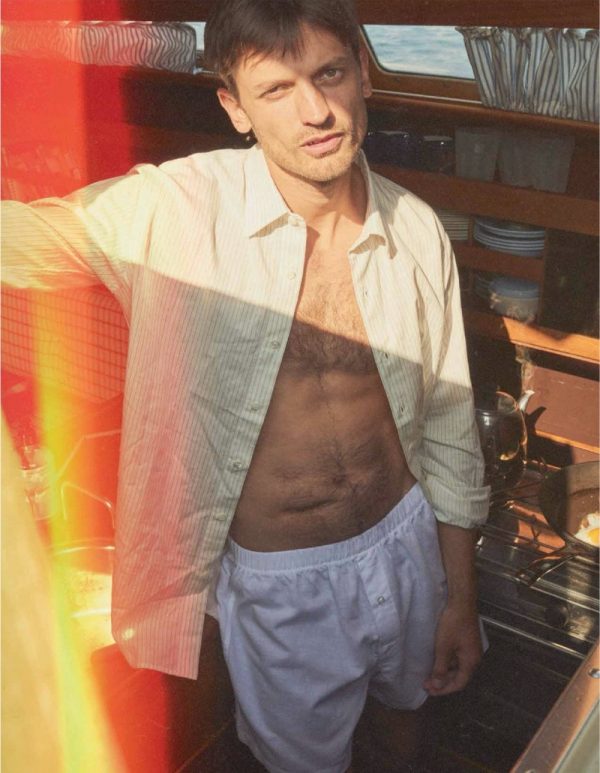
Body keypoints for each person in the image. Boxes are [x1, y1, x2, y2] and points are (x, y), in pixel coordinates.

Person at [2, 1, 490, 770]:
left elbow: (451, 424)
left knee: (408, 718)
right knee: (300, 760)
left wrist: (460, 596)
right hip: (281, 579)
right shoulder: (174, 208)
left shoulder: (417, 230)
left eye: (330, 73)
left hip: (406, 544)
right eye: (276, 90)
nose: (315, 111)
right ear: (234, 107)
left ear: (364, 74)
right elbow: (25, 240)